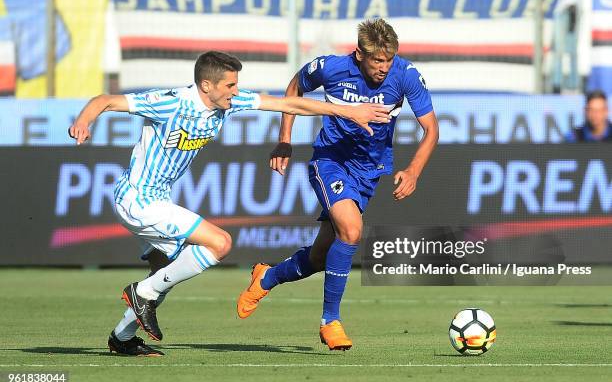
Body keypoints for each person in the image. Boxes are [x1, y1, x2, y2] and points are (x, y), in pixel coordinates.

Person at [68, 51, 390, 357]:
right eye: (230, 85)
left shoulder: (228, 103)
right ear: (206, 86)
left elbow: (290, 103)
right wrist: (84, 121)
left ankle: (122, 337)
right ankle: (141, 294)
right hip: (137, 199)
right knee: (219, 243)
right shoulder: (170, 102)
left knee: (167, 270)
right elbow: (106, 100)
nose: (236, 92)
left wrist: (347, 111)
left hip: (158, 199)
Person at [236, 19, 439, 350]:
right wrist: (285, 139)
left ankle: (266, 277)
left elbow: (431, 130)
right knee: (352, 231)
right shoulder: (330, 68)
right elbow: (294, 89)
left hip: (369, 171)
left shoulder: (406, 75)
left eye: (388, 60)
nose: (383, 68)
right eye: (377, 61)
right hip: (330, 161)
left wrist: (414, 171)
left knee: (319, 257)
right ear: (359, 54)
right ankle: (330, 320)